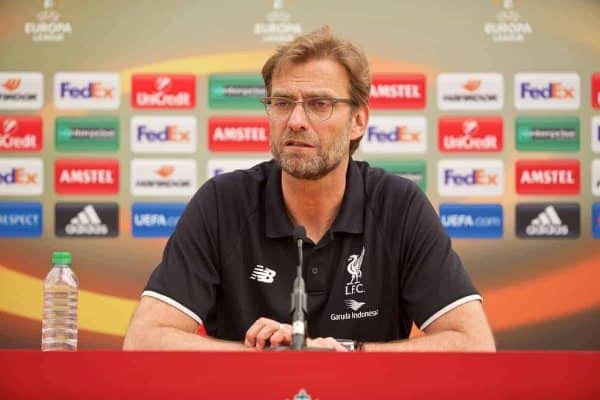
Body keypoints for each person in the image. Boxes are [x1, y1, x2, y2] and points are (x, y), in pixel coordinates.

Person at [123, 26, 495, 352]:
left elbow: (473, 342)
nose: (296, 121)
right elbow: (145, 338)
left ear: (358, 120)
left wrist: (346, 353)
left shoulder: (398, 205)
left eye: (320, 104)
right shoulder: (223, 203)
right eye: (282, 103)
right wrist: (262, 358)